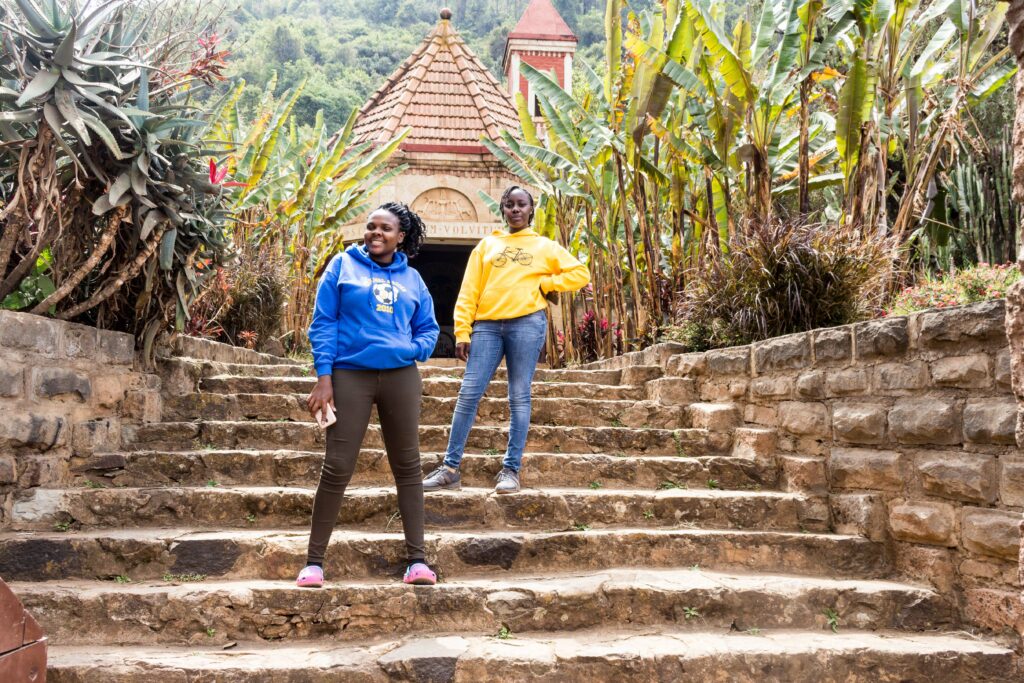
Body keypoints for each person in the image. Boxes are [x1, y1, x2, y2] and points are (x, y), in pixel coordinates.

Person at [297, 202, 440, 588]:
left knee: (408, 467)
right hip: (349, 375)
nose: (375, 234)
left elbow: (428, 328)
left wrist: (410, 351)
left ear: (401, 237)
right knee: (338, 466)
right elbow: (323, 322)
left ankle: (417, 562)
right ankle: (314, 563)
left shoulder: (412, 279)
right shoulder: (342, 266)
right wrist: (324, 377)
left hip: (400, 377)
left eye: (385, 229)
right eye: (371, 227)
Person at [422, 186, 590, 495]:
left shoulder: (544, 246)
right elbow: (469, 289)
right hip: (486, 326)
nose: (515, 209)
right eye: (509, 204)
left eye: (521, 204)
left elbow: (580, 272)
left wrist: (546, 282)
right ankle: (449, 469)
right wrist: (462, 329)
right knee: (469, 393)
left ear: (530, 210)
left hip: (527, 324)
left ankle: (511, 470)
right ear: (503, 209)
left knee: (519, 396)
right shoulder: (487, 245)